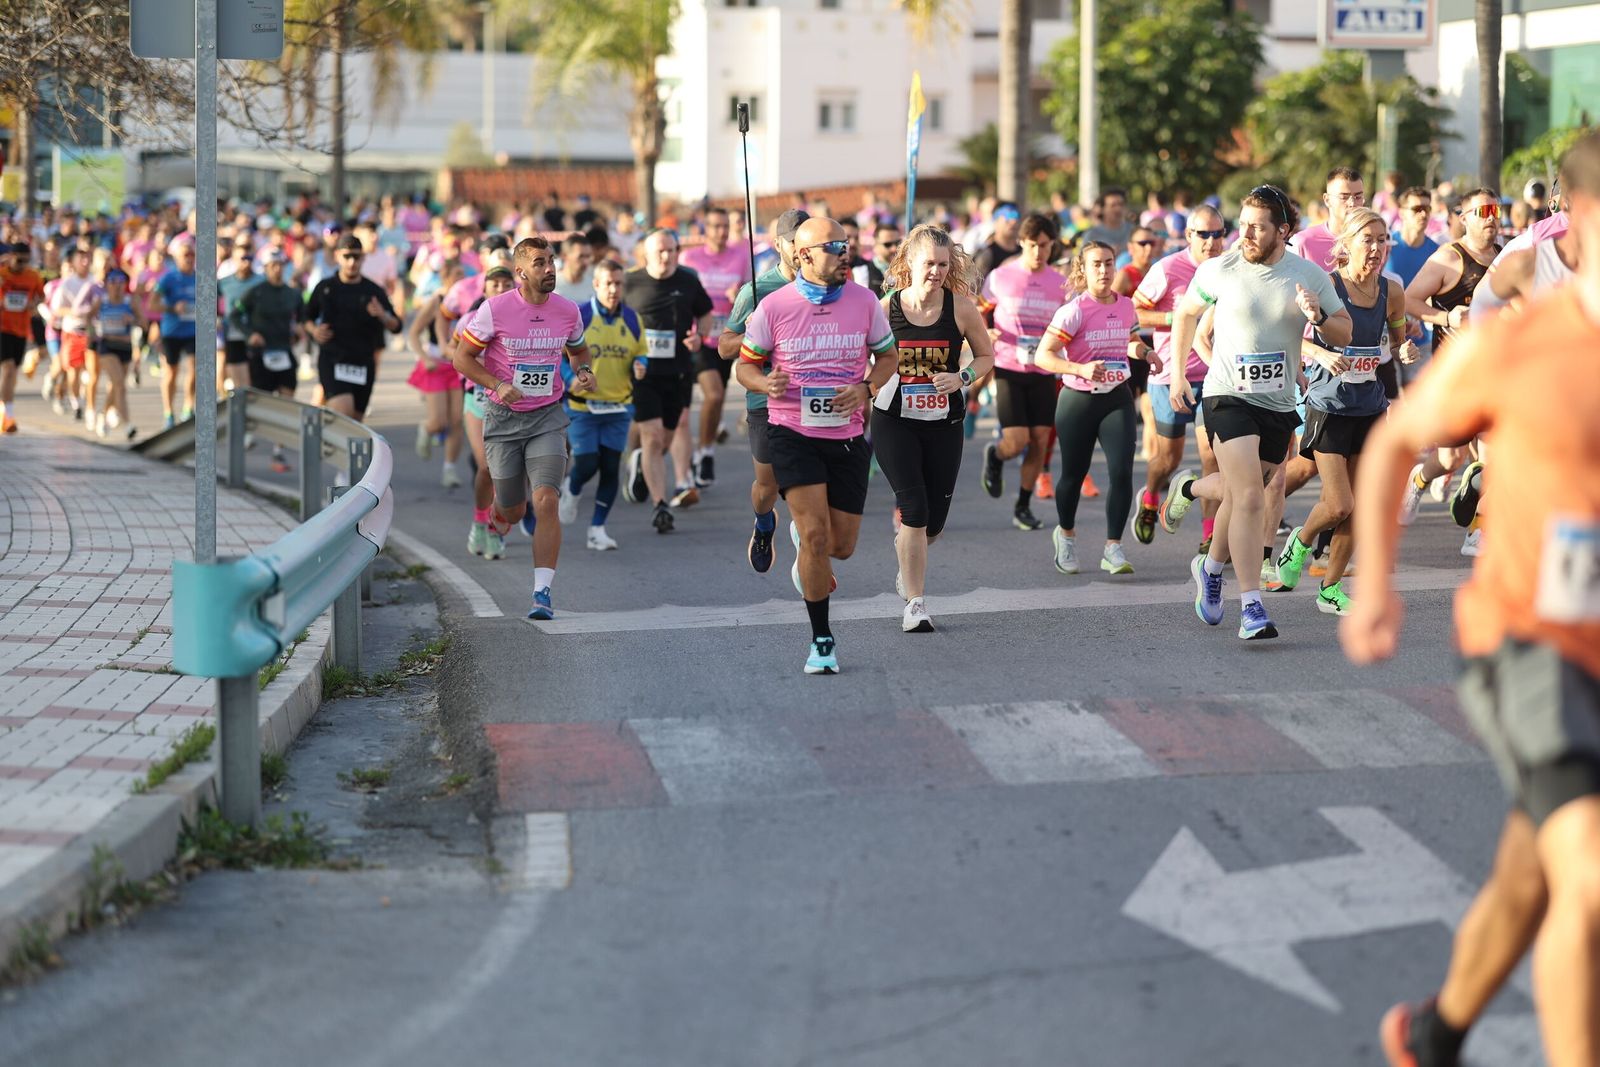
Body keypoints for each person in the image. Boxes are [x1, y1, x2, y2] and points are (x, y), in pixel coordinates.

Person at [1345, 126, 1600, 1067]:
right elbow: (1395, 443)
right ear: (1578, 223)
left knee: (1537, 872)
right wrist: (1373, 585)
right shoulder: (1522, 344)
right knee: (1595, 877)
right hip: (1533, 644)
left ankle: (1435, 1032)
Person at [1159, 185, 1352, 640]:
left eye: (1256, 226)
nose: (1244, 233)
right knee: (1248, 497)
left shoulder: (1306, 274)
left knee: (1239, 491)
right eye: (1241, 223)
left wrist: (1319, 317)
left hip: (1279, 402)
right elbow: (1185, 316)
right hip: (1226, 394)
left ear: (1282, 230)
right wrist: (1177, 376)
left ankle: (1207, 561)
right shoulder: (1219, 269)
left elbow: (1344, 330)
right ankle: (1251, 606)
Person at [735, 217, 896, 674]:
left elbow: (887, 357)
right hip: (790, 431)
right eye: (833, 246)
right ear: (803, 255)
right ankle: (821, 640)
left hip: (845, 435)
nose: (844, 252)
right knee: (815, 535)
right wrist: (765, 382)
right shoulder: (775, 306)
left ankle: (810, 552)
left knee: (840, 547)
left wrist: (866, 389)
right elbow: (744, 367)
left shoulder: (865, 301)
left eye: (845, 243)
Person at [1275, 208, 1417, 614]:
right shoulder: (1328, 286)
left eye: (1382, 239)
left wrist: (1404, 349)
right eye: (1367, 239)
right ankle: (1299, 543)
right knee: (1339, 504)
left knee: (1362, 502)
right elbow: (1292, 338)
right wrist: (1320, 351)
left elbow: (1397, 341)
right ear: (1347, 244)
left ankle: (1330, 589)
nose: (1376, 248)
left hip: (1370, 406)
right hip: (1328, 404)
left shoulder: (1393, 292)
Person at [453, 237, 596, 620]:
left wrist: (583, 370)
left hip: (547, 415)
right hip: (502, 418)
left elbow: (578, 349)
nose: (550, 269)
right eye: (539, 263)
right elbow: (462, 358)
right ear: (520, 272)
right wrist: (497, 384)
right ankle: (499, 516)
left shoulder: (567, 311)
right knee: (513, 509)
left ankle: (542, 593)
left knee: (546, 498)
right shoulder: (494, 310)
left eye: (551, 261)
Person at [868, 225, 994, 633]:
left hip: (944, 423)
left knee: (933, 524)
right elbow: (860, 356)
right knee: (915, 510)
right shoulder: (886, 308)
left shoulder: (959, 308)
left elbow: (987, 355)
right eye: (928, 264)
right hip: (894, 421)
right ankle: (916, 604)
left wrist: (963, 377)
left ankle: (909, 552)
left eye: (943, 264)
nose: (936, 272)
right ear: (909, 263)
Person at [1033, 241, 1159, 575]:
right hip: (1078, 400)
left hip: (1117, 396)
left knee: (1121, 472)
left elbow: (1129, 341)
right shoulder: (1074, 310)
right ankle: (1067, 535)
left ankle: (1113, 547)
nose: (1103, 271)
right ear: (1083, 270)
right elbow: (1043, 356)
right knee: (1073, 476)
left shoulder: (1127, 306)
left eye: (1108, 263)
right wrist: (1079, 369)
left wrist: (1146, 353)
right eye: (1096, 265)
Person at [1400, 188, 1501, 541]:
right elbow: (1409, 299)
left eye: (1496, 210)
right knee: (1450, 459)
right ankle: (1418, 480)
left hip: (1494, 375)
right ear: (1465, 217)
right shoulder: (1449, 258)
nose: (1491, 217)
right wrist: (1445, 318)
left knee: (1493, 456)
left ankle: (1479, 529)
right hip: (1454, 375)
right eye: (1483, 210)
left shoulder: (1507, 258)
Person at [1131, 206, 1228, 548]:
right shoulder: (1168, 268)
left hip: (1216, 376)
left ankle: (1209, 535)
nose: (1213, 242)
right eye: (1204, 234)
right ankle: (1151, 496)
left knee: (1211, 456)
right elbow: (1135, 311)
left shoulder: (1230, 267)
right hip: (1171, 376)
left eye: (1219, 233)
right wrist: (1179, 318)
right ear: (1189, 236)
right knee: (1168, 459)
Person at [719, 208, 807, 574]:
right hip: (765, 399)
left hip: (810, 401)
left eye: (807, 241)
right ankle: (764, 521)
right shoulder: (756, 289)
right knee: (767, 485)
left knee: (807, 483)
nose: (802, 249)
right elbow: (724, 347)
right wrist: (750, 330)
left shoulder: (829, 287)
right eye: (793, 241)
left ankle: (811, 550)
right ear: (778, 245)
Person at [978, 213, 1071, 531]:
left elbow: (1068, 323)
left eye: (1044, 245)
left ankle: (1023, 505)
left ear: (1052, 245)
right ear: (1022, 242)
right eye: (1032, 245)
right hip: (1008, 367)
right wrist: (985, 332)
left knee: (1040, 440)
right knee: (1017, 441)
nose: (1038, 252)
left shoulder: (1060, 283)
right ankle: (996, 455)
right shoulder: (1001, 276)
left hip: (1044, 370)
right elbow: (979, 312)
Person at [622, 229, 714, 531]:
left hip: (678, 371)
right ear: (646, 254)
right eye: (660, 251)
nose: (666, 256)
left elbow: (705, 313)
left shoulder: (688, 280)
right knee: (652, 436)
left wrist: (699, 337)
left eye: (671, 250)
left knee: (666, 439)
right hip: (643, 373)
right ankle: (660, 505)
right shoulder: (630, 282)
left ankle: (641, 463)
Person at [561, 259, 645, 551]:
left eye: (618, 283)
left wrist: (640, 365)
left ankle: (597, 529)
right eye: (607, 283)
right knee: (586, 463)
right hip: (583, 407)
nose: (613, 289)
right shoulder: (579, 315)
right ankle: (571, 489)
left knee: (611, 468)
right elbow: (557, 355)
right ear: (595, 284)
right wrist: (569, 376)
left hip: (619, 406)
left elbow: (641, 352)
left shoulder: (633, 319)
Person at [679, 206, 752, 488]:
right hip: (699, 338)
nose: (721, 232)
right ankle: (705, 453)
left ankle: (703, 451)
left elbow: (750, 290)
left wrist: (741, 293)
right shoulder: (691, 258)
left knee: (718, 398)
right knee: (714, 394)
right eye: (715, 226)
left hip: (728, 337)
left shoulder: (741, 255)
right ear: (704, 229)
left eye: (725, 226)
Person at [306, 234, 401, 422]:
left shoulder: (373, 291)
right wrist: (314, 330)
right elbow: (306, 317)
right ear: (337, 256)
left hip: (363, 362)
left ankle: (328, 443)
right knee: (344, 412)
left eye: (356, 257)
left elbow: (397, 326)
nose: (351, 262)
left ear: (363, 257)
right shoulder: (326, 288)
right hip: (333, 359)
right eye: (347, 256)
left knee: (355, 423)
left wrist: (383, 315)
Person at [459, 266, 517, 561]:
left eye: (508, 284)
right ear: (485, 290)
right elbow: (455, 351)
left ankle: (494, 522)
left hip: (511, 401)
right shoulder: (470, 319)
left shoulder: (521, 320)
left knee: (507, 471)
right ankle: (482, 523)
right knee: (486, 466)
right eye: (495, 284)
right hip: (478, 398)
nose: (501, 288)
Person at [232, 248, 304, 472]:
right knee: (260, 399)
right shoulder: (256, 292)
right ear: (264, 269)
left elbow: (303, 315)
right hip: (261, 353)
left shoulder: (292, 293)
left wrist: (301, 329)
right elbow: (235, 314)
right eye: (272, 266)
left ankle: (278, 447)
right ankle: (249, 432)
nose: (277, 269)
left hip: (284, 350)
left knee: (286, 399)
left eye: (280, 265)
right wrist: (249, 334)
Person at [1387, 186, 1440, 387]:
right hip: (1386, 342)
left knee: (1417, 404)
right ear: (1402, 213)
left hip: (1420, 340)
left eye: (1427, 208)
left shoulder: (1437, 252)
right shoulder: (1387, 246)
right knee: (1390, 407)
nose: (1423, 214)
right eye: (1416, 209)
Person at [1, 243, 46, 434]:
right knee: (9, 368)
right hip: (1, 328)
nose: (22, 265)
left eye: (26, 261)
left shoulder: (33, 276)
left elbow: (41, 297)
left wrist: (32, 303)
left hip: (20, 330)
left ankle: (6, 413)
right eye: (19, 260)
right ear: (10, 256)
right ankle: (8, 416)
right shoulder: (2, 274)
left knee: (11, 374)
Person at [154, 237, 199, 427]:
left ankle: (189, 407)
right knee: (171, 372)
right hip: (171, 332)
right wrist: (173, 308)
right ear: (177, 258)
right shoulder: (168, 278)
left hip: (193, 330)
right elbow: (152, 304)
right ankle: (168, 412)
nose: (188, 259)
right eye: (185, 255)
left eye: (191, 255)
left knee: (196, 369)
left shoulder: (201, 277)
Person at [1290, 167, 1368, 271]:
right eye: (1344, 197)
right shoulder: (1302, 242)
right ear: (1327, 200)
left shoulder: (1371, 242)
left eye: (1358, 197)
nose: (1352, 203)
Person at [92, 269, 137, 440]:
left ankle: (103, 415)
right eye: (113, 282)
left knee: (115, 385)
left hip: (125, 347)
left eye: (121, 283)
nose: (117, 286)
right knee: (119, 384)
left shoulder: (131, 301)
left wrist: (132, 320)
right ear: (107, 285)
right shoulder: (101, 301)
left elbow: (144, 323)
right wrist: (93, 334)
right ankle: (127, 425)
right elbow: (88, 318)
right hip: (107, 346)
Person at [217, 239, 263, 393]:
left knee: (257, 384)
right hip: (234, 334)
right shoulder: (225, 282)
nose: (246, 263)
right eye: (242, 259)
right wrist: (216, 317)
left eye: (249, 259)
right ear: (234, 260)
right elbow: (208, 300)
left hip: (257, 335)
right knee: (240, 386)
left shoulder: (261, 281)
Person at [972, 202, 1021, 282]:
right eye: (1008, 216)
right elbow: (974, 291)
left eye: (1016, 216)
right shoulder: (986, 255)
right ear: (996, 221)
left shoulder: (1025, 253)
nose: (1013, 221)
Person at [553, 235, 594, 302]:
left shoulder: (594, 285)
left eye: (588, 256)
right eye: (581, 256)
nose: (586, 262)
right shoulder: (552, 286)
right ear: (564, 256)